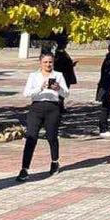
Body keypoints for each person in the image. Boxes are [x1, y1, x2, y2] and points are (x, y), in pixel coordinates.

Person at [18, 52, 68, 181]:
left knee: (51, 136)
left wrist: (58, 89)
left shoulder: (58, 75)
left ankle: (54, 161)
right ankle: (24, 168)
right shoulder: (34, 76)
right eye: (45, 62)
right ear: (40, 63)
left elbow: (66, 93)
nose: (48, 64)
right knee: (31, 137)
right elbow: (26, 93)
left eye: (50, 62)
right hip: (36, 108)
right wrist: (40, 88)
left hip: (53, 108)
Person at [52, 36, 77, 112]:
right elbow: (60, 65)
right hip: (62, 76)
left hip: (65, 75)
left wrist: (71, 65)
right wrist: (70, 65)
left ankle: (60, 107)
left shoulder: (62, 52)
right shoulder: (59, 53)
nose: (66, 44)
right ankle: (58, 107)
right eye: (65, 43)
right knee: (59, 92)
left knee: (62, 92)